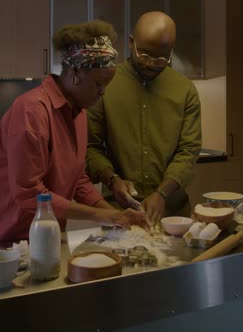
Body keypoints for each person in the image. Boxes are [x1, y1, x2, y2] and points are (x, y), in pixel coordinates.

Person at [0, 20, 148, 242]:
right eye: (99, 84)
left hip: (48, 236)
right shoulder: (31, 111)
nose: (102, 93)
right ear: (76, 73)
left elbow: (78, 179)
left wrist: (117, 216)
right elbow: (29, 194)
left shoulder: (79, 112)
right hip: (12, 240)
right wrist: (102, 215)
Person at [86, 11, 202, 226]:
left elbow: (188, 151)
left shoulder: (185, 90)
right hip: (119, 212)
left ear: (170, 52)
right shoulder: (105, 85)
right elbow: (90, 147)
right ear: (131, 42)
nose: (151, 64)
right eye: (145, 55)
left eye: (161, 59)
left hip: (173, 213)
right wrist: (112, 180)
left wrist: (162, 193)